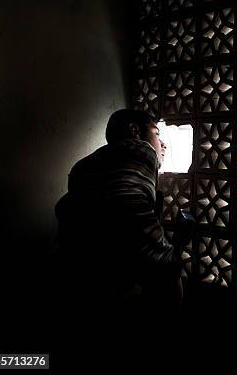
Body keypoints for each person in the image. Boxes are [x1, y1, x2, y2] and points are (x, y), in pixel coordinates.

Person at [52, 109, 186, 366]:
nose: (163, 144)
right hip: (106, 293)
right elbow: (129, 210)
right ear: (136, 132)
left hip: (68, 278)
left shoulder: (88, 165)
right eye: (157, 134)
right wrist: (171, 259)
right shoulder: (138, 151)